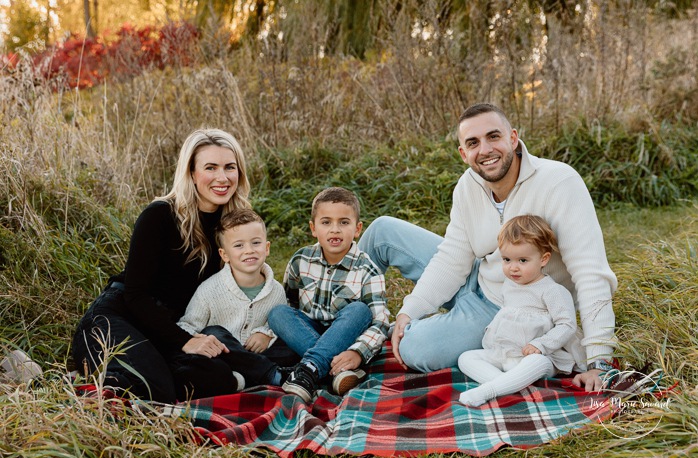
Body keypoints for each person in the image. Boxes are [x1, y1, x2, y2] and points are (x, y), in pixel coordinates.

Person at [358, 103, 617, 392]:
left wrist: (599, 360)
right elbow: (452, 260)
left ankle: (400, 331)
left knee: (414, 347)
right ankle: (336, 329)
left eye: (494, 137)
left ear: (513, 138)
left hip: (506, 307)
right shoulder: (468, 185)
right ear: (463, 153)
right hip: (478, 276)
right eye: (473, 143)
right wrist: (409, 311)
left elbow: (590, 273)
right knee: (382, 231)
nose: (485, 150)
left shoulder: (559, 183)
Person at [72, 128, 255, 403]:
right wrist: (186, 341)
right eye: (210, 167)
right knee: (153, 389)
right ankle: (78, 381)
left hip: (168, 328)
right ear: (192, 173)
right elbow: (136, 295)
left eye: (230, 167)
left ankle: (137, 374)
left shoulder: (234, 226)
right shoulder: (160, 215)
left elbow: (242, 288)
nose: (222, 177)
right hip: (119, 318)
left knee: (217, 376)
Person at [267, 187, 390, 402]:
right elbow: (291, 305)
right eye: (326, 222)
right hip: (309, 330)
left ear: (358, 228)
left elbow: (380, 323)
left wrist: (358, 353)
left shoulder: (367, 269)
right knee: (278, 313)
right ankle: (335, 371)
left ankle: (309, 368)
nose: (335, 230)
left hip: (347, 336)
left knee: (359, 310)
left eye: (344, 222)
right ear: (313, 228)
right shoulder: (300, 260)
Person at [458, 215, 585, 406]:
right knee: (466, 358)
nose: (513, 268)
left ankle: (489, 390)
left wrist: (541, 345)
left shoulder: (552, 291)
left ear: (543, 259)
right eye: (507, 259)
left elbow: (566, 325)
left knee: (537, 362)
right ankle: (509, 385)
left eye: (523, 260)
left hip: (538, 355)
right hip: (506, 354)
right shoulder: (509, 285)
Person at [177, 208, 299, 389]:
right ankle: (274, 376)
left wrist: (266, 333)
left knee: (291, 344)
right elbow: (186, 326)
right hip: (225, 356)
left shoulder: (276, 291)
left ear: (267, 248)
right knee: (213, 333)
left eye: (256, 243)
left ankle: (244, 380)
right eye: (239, 245)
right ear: (224, 255)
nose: (249, 251)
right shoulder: (209, 290)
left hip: (262, 355)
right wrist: (205, 341)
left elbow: (279, 325)